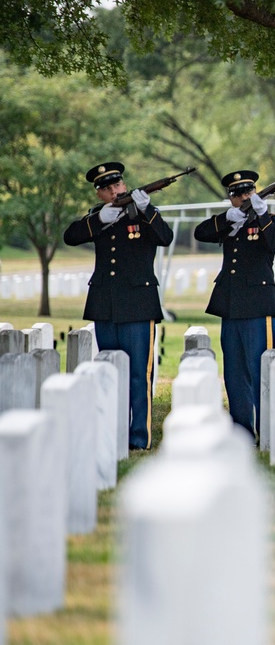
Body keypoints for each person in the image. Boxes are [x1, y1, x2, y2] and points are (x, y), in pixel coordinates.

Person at [63, 161, 174, 450]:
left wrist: (147, 209)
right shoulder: (97, 217)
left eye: (118, 185)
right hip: (105, 306)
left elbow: (165, 237)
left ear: (125, 185)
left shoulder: (144, 213)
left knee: (139, 374)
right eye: (107, 188)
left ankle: (139, 436)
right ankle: (112, 430)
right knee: (109, 371)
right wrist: (100, 219)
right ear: (99, 194)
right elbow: (70, 236)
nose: (115, 191)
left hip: (138, 305)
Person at [194, 169, 275, 437]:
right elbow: (201, 232)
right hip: (231, 306)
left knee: (260, 370)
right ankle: (242, 430)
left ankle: (267, 430)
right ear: (231, 199)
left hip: (259, 305)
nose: (245, 197)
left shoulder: (271, 220)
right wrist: (227, 218)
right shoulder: (230, 222)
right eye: (239, 194)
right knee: (234, 374)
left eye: (249, 192)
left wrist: (263, 214)